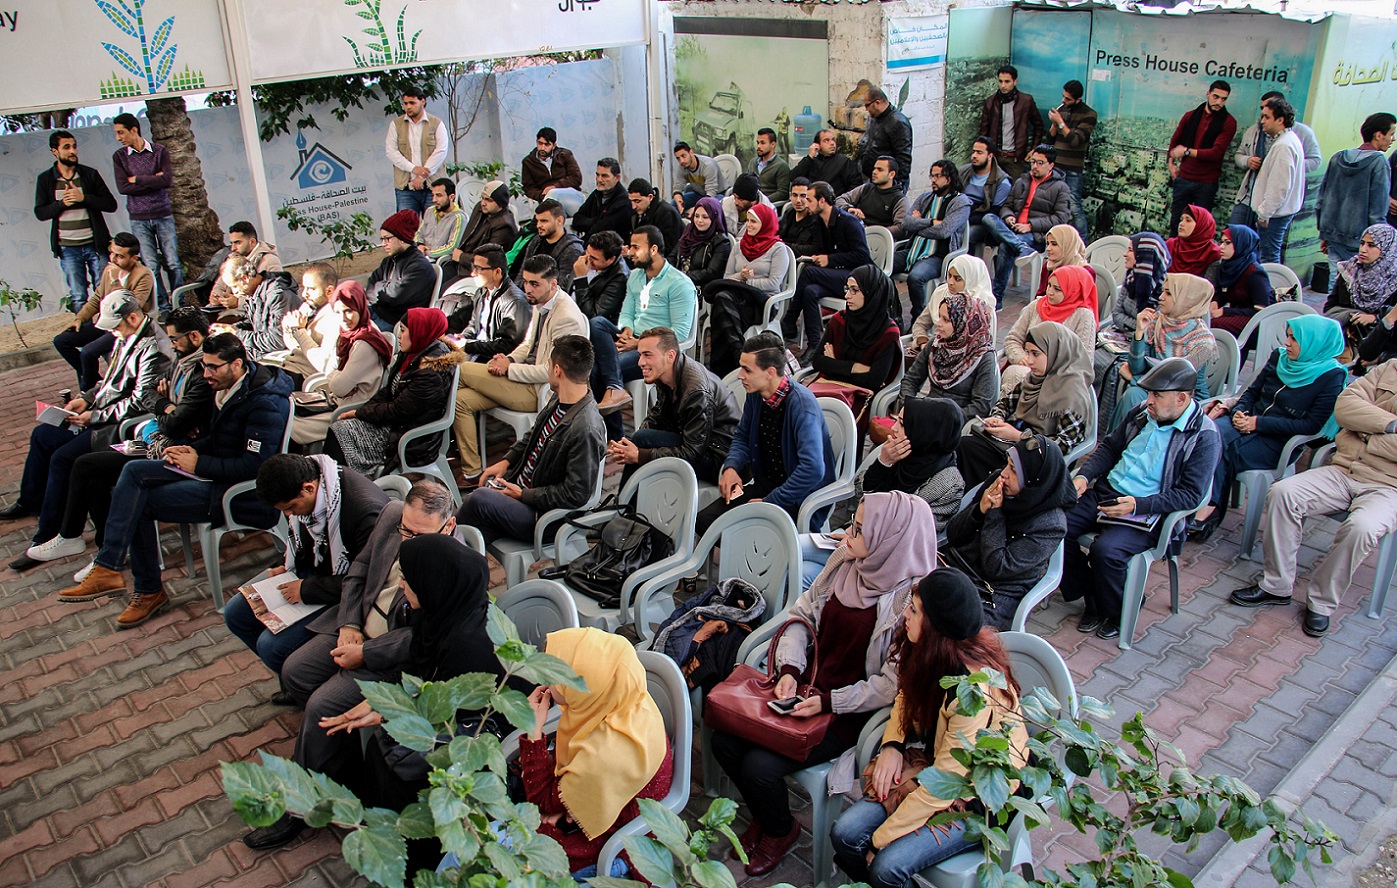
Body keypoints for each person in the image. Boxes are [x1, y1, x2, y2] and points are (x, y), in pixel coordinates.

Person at [716, 491, 936, 877]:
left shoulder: (910, 601)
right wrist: (789, 669)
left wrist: (830, 702)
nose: (847, 535)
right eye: (853, 523)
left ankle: (780, 830)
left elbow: (890, 686)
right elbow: (802, 615)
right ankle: (769, 816)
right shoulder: (845, 561)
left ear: (889, 539)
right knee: (724, 740)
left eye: (860, 530)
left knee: (759, 766)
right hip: (806, 687)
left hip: (848, 712)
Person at [242, 480, 466, 850]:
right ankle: (338, 759)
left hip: (389, 656)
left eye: (419, 535)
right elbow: (359, 571)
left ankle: (300, 805)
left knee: (321, 706)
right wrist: (348, 624)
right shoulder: (392, 514)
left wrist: (367, 653)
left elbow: (424, 637)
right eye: (405, 531)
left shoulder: (454, 564)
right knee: (295, 672)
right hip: (356, 625)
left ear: (449, 525)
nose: (408, 541)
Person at [56, 334, 294, 628]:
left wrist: (199, 463)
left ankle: (144, 589)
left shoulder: (264, 403)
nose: (206, 374)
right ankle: (110, 568)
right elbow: (222, 441)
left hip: (235, 494)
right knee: (133, 472)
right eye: (204, 366)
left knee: (138, 502)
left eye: (213, 367)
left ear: (237, 364)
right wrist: (189, 450)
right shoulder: (232, 387)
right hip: (213, 473)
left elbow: (257, 466)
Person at [311, 533, 506, 872]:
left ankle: (413, 862)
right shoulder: (446, 612)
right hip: (446, 717)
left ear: (433, 585)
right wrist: (385, 706)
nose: (401, 586)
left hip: (473, 738)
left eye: (408, 580)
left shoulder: (468, 644)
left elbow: (455, 714)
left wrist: (389, 714)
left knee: (393, 766)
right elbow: (425, 673)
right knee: (381, 751)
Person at [829, 567, 1029, 888]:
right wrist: (892, 745)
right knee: (844, 834)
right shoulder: (928, 650)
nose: (905, 615)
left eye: (914, 610)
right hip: (939, 767)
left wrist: (879, 841)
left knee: (885, 868)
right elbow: (905, 695)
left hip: (975, 796)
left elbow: (945, 786)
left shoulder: (971, 695)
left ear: (935, 627)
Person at [1229, 356, 1397, 638]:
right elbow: (1345, 407)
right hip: (1344, 469)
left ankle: (1321, 603)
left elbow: (1357, 418)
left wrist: (1366, 432)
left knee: (1362, 528)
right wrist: (1390, 426)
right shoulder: (1390, 368)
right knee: (1283, 492)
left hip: (1388, 487)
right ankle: (1276, 585)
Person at [45, 308, 215, 577]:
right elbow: (149, 396)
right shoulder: (181, 361)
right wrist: (166, 407)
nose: (171, 344)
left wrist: (165, 408)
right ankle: (90, 544)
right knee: (89, 468)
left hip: (177, 450)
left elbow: (175, 423)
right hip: (158, 439)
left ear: (194, 336)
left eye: (175, 339)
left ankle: (104, 556)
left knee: (100, 469)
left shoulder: (201, 372)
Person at [4, 290, 169, 560]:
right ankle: (32, 502)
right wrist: (86, 398)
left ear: (132, 317)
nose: (112, 332)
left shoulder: (153, 348)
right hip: (103, 414)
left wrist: (93, 416)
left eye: (115, 326)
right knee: (43, 434)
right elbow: (111, 381)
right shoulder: (127, 336)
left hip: (117, 426)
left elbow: (140, 402)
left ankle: (53, 534)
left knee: (64, 459)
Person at [1063, 357, 1220, 638]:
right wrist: (1084, 476)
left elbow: (1192, 495)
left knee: (1106, 552)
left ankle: (1116, 612)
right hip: (1108, 492)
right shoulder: (1142, 413)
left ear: (1181, 398)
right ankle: (1094, 595)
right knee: (1055, 527)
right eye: (1149, 393)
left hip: (1149, 509)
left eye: (1157, 395)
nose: (1148, 401)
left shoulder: (1204, 436)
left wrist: (1138, 504)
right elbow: (1110, 448)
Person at [521, 628, 674, 878]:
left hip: (615, 849)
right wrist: (566, 802)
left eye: (554, 674)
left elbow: (540, 801)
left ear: (586, 683)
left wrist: (532, 728)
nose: (545, 679)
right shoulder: (624, 701)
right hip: (608, 818)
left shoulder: (607, 754)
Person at [224, 453, 389, 679]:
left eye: (291, 507)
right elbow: (302, 541)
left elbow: (367, 580)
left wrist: (305, 589)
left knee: (271, 646)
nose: (289, 515)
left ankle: (298, 683)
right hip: (317, 571)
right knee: (235, 613)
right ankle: (291, 679)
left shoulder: (364, 512)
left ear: (308, 489)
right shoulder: (316, 484)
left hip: (347, 592)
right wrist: (283, 565)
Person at [1191, 315, 1346, 541]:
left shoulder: (1331, 376)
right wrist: (1239, 412)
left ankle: (1205, 508)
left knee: (1221, 448)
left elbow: (1311, 425)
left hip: (1279, 440)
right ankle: (1198, 505)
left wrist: (1258, 423)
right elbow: (1252, 392)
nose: (1287, 343)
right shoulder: (1280, 358)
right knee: (1206, 436)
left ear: (1314, 343)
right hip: (1246, 421)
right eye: (1288, 336)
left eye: (1295, 339)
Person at [458, 334, 606, 546]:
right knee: (473, 535)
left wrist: (524, 495)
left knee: (478, 500)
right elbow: (534, 434)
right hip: (523, 494)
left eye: (549, 365)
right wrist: (506, 461)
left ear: (557, 370)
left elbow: (576, 494)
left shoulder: (586, 428)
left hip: (544, 517)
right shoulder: (559, 398)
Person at [451, 256, 589, 480]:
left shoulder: (566, 318)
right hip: (521, 378)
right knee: (461, 400)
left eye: (534, 284)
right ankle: (472, 473)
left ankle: (427, 432)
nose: (528, 289)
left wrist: (508, 369)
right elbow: (527, 344)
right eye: (525, 282)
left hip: (540, 390)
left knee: (460, 370)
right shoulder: (541, 300)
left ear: (553, 284)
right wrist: (508, 360)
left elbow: (551, 372)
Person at [699, 332, 836, 533]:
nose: (740, 375)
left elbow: (813, 469)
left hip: (798, 498)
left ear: (770, 372)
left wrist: (771, 501)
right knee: (705, 521)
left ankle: (743, 551)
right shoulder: (756, 394)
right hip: (766, 487)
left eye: (747, 369)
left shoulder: (801, 406)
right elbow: (743, 435)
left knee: (739, 535)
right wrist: (731, 467)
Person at [950, 432, 1075, 626]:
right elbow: (953, 535)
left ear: (1033, 479)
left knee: (955, 627)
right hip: (961, 568)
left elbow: (997, 567)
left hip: (997, 592)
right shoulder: (998, 482)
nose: (1004, 474)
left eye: (1014, 470)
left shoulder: (1050, 525)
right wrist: (979, 510)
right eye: (1007, 464)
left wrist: (995, 514)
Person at [325, 307, 459, 476]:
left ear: (418, 332)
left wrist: (359, 413)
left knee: (342, 433)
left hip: (411, 438)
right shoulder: (413, 352)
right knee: (340, 429)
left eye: (403, 330)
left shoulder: (431, 373)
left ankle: (338, 482)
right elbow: (388, 391)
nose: (399, 336)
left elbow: (398, 410)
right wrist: (363, 410)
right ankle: (334, 480)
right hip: (396, 424)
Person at [591, 227, 697, 436]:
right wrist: (627, 330)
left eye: (635, 247)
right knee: (597, 323)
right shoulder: (636, 276)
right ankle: (615, 388)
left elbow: (679, 334)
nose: (630, 252)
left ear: (653, 249)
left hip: (657, 349)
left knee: (597, 370)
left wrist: (639, 343)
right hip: (633, 338)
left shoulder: (679, 283)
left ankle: (614, 436)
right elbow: (627, 312)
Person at [962, 322, 1093, 486]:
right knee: (965, 447)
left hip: (1036, 460)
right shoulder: (1034, 379)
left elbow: (1062, 446)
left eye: (1036, 354)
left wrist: (1019, 436)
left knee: (969, 453)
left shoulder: (1072, 395)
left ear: (1055, 352)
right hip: (1014, 446)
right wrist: (998, 418)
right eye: (1028, 353)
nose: (1029, 361)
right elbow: (1006, 402)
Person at [608, 326, 740, 485]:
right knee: (640, 438)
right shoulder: (666, 372)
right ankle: (631, 497)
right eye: (640, 355)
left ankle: (626, 499)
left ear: (670, 355)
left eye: (648, 355)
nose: (640, 362)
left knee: (643, 440)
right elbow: (657, 415)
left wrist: (639, 455)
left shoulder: (696, 391)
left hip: (716, 458)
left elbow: (693, 453)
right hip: (692, 440)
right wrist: (630, 446)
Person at [290, 281, 393, 448]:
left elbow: (338, 386)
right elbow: (332, 369)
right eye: (337, 312)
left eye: (349, 311)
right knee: (287, 411)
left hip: (350, 412)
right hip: (338, 402)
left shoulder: (365, 341)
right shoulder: (349, 334)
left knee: (290, 426)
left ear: (360, 307)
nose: (343, 318)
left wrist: (333, 373)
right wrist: (335, 373)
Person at [1108, 272, 1217, 430]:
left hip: (1183, 397)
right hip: (1154, 388)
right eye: (1163, 291)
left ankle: (1123, 442)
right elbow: (1137, 367)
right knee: (1134, 394)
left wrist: (1135, 379)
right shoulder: (1157, 322)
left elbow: (1176, 380)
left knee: (1135, 394)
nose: (1161, 297)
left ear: (1186, 300)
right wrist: (1139, 332)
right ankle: (1120, 442)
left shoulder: (1203, 342)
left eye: (1169, 293)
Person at [53, 232, 154, 389]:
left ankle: (88, 390)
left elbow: (131, 306)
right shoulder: (110, 270)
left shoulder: (143, 275)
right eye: (112, 253)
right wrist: (80, 318)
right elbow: (97, 299)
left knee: (88, 353)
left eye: (120, 256)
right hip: (106, 324)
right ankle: (96, 383)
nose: (113, 259)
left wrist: (115, 280)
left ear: (133, 258)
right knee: (61, 341)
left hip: (126, 327)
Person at [809, 265, 903, 434]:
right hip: (827, 385)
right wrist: (854, 367)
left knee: (839, 424)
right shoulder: (839, 320)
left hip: (860, 395)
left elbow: (874, 380)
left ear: (872, 293)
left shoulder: (888, 333)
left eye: (854, 290)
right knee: (802, 411)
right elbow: (817, 361)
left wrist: (834, 364)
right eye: (847, 289)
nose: (847, 295)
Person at [783, 182, 872, 357]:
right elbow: (822, 249)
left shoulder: (848, 222)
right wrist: (818, 258)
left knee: (808, 273)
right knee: (809, 291)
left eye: (809, 199)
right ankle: (815, 346)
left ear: (822, 201)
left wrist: (829, 259)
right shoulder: (818, 222)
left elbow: (862, 256)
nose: (806, 203)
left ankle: (789, 320)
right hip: (835, 275)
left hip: (857, 277)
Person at [703, 203, 792, 377]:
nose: (748, 225)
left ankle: (721, 370)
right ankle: (738, 353)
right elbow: (728, 277)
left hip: (762, 302)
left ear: (765, 223)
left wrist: (747, 281)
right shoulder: (739, 246)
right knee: (723, 298)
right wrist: (741, 276)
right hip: (736, 298)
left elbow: (774, 283)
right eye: (748, 221)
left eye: (754, 222)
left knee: (722, 302)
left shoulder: (778, 249)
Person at [35, 129, 118, 315]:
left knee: (105, 291)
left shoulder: (89, 175)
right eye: (66, 147)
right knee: (79, 296)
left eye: (74, 146)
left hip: (95, 245)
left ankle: (108, 331)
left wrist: (84, 198)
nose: (72, 151)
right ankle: (85, 332)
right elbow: (40, 212)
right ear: (54, 151)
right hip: (68, 248)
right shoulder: (46, 179)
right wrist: (61, 204)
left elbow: (110, 204)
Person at [981, 145, 1072, 306]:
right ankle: (1020, 246)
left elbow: (1060, 218)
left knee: (1005, 246)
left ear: (1051, 165)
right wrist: (1008, 216)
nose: (1035, 166)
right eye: (1033, 162)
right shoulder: (1022, 181)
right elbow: (1007, 205)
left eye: (1040, 163)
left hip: (1036, 233)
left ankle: (996, 298)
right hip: (1013, 228)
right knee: (988, 218)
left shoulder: (1060, 188)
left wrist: (1030, 226)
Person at [111, 113, 181, 315]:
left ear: (134, 130)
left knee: (172, 262)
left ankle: (179, 304)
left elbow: (167, 180)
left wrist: (137, 179)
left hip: (162, 214)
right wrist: (152, 179)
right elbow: (123, 187)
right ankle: (164, 307)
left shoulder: (159, 151)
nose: (118, 137)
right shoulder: (120, 157)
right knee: (151, 265)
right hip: (138, 218)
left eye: (121, 132)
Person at [857, 397, 965, 528]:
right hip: (862, 528)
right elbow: (860, 496)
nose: (894, 428)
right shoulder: (896, 452)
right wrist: (882, 463)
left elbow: (918, 532)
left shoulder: (949, 485)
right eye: (896, 420)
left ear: (926, 431)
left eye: (902, 424)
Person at [1318, 113, 1396, 288]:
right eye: (1391, 134)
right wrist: (1378, 245)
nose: (1393, 139)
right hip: (1361, 241)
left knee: (1335, 286)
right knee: (1356, 290)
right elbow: (1378, 210)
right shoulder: (1379, 162)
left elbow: (1322, 199)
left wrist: (1326, 233)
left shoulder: (1338, 157)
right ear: (1378, 135)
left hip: (1333, 236)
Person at [894, 160, 973, 328]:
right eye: (932, 176)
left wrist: (918, 224)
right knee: (880, 269)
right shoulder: (925, 197)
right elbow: (906, 223)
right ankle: (893, 313)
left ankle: (918, 320)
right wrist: (930, 221)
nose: (933, 180)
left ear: (949, 178)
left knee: (916, 277)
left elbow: (944, 231)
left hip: (938, 255)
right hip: (913, 249)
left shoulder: (961, 202)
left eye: (937, 176)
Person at [1231, 90, 1324, 230]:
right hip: (1249, 196)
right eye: (1262, 108)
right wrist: (1247, 161)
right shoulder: (1254, 131)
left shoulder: (1293, 138)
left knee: (1266, 242)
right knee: (1234, 234)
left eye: (1268, 111)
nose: (1263, 116)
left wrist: (1290, 166)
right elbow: (1239, 155)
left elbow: (1315, 161)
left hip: (1274, 207)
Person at [1000, 264, 1099, 395]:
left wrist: (1046, 369)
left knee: (1019, 376)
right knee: (1015, 374)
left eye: (1057, 289)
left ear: (1072, 291)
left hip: (1059, 379)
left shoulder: (1084, 316)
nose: (1050, 292)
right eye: (1049, 285)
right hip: (1027, 366)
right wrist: (1021, 357)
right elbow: (1013, 339)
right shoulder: (1036, 306)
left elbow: (1083, 363)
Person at [902, 293, 998, 420]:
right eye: (939, 317)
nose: (938, 323)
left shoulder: (983, 357)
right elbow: (911, 379)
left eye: (946, 320)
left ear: (964, 324)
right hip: (926, 412)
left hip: (955, 421)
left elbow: (981, 406)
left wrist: (946, 420)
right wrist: (907, 405)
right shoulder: (937, 344)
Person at [1167, 81, 1237, 236]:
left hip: (1206, 182)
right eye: (1215, 97)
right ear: (1208, 94)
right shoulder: (1191, 116)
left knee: (1200, 227)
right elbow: (1175, 141)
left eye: (1223, 99)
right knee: (1176, 223)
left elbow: (1215, 153)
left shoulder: (1228, 122)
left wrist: (1187, 152)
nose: (1219, 102)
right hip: (1184, 178)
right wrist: (1171, 164)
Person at [1242, 97, 1305, 264]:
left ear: (1280, 120)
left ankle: (1270, 282)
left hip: (1274, 215)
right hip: (1276, 213)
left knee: (1269, 258)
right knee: (1268, 255)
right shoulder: (1287, 141)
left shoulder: (1284, 146)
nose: (1262, 121)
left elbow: (1279, 186)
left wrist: (1264, 213)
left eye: (1266, 117)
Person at [1325, 224, 1397, 358]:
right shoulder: (1350, 271)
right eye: (1362, 243)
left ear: (1387, 249)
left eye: (1371, 245)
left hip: (1379, 351)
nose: (1363, 249)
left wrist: (1374, 318)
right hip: (1343, 341)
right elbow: (1330, 308)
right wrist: (1351, 320)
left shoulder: (1393, 281)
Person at [448, 246, 530, 360]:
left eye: (479, 269)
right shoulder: (481, 291)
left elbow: (507, 346)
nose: (473, 273)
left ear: (497, 272)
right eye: (473, 267)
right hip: (475, 352)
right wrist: (463, 337)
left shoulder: (515, 302)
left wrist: (468, 346)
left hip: (492, 360)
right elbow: (474, 325)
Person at [908, 254, 997, 351]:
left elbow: (983, 346)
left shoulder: (981, 307)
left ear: (970, 280)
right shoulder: (941, 293)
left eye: (957, 279)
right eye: (949, 276)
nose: (950, 282)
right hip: (934, 350)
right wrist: (923, 342)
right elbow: (920, 324)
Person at [366, 210, 437, 330]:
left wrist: (379, 286)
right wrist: (385, 287)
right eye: (382, 239)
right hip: (377, 313)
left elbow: (394, 296)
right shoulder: (388, 261)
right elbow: (369, 288)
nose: (383, 244)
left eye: (387, 239)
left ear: (402, 238)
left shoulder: (419, 266)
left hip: (396, 323)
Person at [444, 179, 519, 290]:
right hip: (460, 263)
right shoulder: (480, 209)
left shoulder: (504, 226)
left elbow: (489, 260)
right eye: (482, 198)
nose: (483, 203)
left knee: (444, 291)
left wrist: (461, 257)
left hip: (476, 271)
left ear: (500, 204)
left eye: (489, 200)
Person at [385, 85, 448, 215]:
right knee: (406, 225)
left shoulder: (436, 123)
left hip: (433, 187)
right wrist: (413, 169)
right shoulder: (396, 124)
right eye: (405, 103)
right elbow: (391, 151)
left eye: (412, 103)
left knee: (435, 224)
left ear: (422, 101)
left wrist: (422, 176)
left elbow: (441, 151)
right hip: (405, 188)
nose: (408, 107)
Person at [1205, 224, 1274, 338]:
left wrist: (1225, 312)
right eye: (1221, 242)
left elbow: (1261, 309)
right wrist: (1216, 302)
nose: (1221, 247)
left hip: (1256, 320)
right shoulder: (1228, 266)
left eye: (1227, 243)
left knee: (1214, 325)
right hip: (1236, 313)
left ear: (1241, 244)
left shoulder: (1254, 273)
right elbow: (1225, 292)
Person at [1048, 80, 1097, 237]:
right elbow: (1050, 140)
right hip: (1056, 166)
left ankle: (1083, 242)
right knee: (1054, 204)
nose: (1064, 101)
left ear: (1078, 99)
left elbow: (1075, 141)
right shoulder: (1061, 110)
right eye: (1063, 96)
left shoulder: (1089, 115)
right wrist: (1054, 126)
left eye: (1068, 99)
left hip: (1072, 169)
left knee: (1074, 207)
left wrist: (1060, 123)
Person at [275, 263, 341, 380]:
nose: (304, 294)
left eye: (311, 289)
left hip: (307, 376)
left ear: (329, 291)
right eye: (304, 287)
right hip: (290, 365)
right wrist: (288, 331)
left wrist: (299, 331)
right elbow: (294, 346)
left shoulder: (336, 318)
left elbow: (323, 363)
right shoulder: (307, 306)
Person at [228, 257, 298, 363]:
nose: (234, 292)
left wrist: (236, 333)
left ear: (245, 278)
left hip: (284, 358)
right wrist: (231, 329)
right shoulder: (255, 292)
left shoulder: (277, 295)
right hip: (265, 351)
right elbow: (256, 323)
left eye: (234, 286)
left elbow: (276, 342)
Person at [978, 66, 1043, 180]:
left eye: (1007, 81)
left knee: (1016, 187)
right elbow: (984, 132)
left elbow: (1039, 125)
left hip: (1015, 158)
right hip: (995, 157)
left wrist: (1034, 149)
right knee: (992, 187)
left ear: (1015, 81)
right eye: (1000, 81)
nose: (1003, 85)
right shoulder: (990, 102)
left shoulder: (1026, 101)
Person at [515, 199, 584, 293]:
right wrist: (516, 296)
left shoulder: (572, 250)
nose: (538, 225)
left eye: (544, 221)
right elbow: (522, 273)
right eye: (537, 221)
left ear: (559, 221)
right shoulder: (537, 240)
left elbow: (563, 290)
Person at [208, 221, 282, 309]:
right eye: (232, 243)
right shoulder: (232, 258)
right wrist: (216, 296)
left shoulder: (270, 261)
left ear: (252, 242)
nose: (233, 248)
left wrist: (238, 302)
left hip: (254, 312)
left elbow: (276, 295)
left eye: (237, 243)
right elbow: (220, 284)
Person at [836, 157, 909, 237]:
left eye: (880, 170)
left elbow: (901, 228)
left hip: (880, 240)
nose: (874, 172)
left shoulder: (900, 199)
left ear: (891, 174)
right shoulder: (865, 188)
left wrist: (873, 233)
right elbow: (839, 200)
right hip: (856, 234)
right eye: (874, 169)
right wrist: (848, 208)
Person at [959, 137, 1012, 248]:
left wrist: (965, 220)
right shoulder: (963, 172)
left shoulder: (1002, 181)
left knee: (967, 236)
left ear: (990, 156)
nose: (974, 156)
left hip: (980, 221)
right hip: (960, 213)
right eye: (973, 152)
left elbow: (994, 213)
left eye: (979, 153)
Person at [858, 88, 913, 191]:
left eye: (867, 105)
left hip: (890, 182)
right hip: (875, 178)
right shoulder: (876, 118)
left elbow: (903, 157)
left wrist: (898, 185)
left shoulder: (898, 122)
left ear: (877, 103)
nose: (866, 109)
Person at [570, 230, 629, 324]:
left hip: (583, 322)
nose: (588, 259)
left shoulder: (620, 278)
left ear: (611, 259)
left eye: (594, 258)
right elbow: (565, 285)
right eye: (587, 252)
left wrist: (581, 280)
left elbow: (593, 316)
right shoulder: (588, 256)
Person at [672, 197, 731, 290]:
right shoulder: (689, 231)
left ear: (714, 218)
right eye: (696, 216)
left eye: (705, 217)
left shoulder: (721, 242)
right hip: (679, 282)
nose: (699, 220)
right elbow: (673, 256)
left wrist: (682, 276)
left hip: (702, 287)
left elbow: (711, 273)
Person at [572, 158, 633, 239]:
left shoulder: (623, 202)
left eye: (604, 176)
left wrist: (590, 223)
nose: (599, 180)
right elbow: (576, 221)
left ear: (617, 178)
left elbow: (601, 230)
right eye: (597, 175)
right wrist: (596, 220)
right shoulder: (596, 194)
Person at [521, 126, 583, 206]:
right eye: (540, 143)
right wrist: (542, 195)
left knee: (553, 194)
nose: (542, 148)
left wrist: (555, 187)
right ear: (536, 142)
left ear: (554, 145)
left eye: (547, 145)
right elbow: (528, 188)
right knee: (551, 198)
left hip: (569, 194)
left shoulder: (564, 155)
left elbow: (576, 178)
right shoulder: (528, 162)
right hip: (547, 198)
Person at [792, 129, 865, 197]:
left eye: (833, 140)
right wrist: (810, 157)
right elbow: (793, 178)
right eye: (826, 140)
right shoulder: (811, 162)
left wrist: (842, 201)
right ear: (817, 145)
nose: (832, 143)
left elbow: (856, 185)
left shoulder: (843, 162)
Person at [1029, 222, 1088, 301]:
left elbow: (1084, 302)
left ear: (1067, 245)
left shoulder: (1085, 271)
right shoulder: (1048, 266)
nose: (1048, 248)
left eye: (1054, 244)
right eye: (1048, 244)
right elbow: (1041, 294)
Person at [628, 178, 683, 258]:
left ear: (650, 197)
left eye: (637, 201)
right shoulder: (638, 212)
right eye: (631, 201)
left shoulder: (666, 214)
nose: (633, 206)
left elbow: (668, 250)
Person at [416, 177, 465, 265]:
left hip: (442, 262)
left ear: (451, 197)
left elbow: (452, 248)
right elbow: (420, 233)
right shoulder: (430, 211)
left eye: (439, 195)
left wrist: (428, 253)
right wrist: (419, 245)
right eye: (433, 195)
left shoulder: (459, 218)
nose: (434, 200)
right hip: (423, 257)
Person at [1166, 204, 1223, 276]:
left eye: (1188, 220)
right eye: (1181, 220)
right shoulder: (1170, 245)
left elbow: (1209, 282)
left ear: (1201, 225)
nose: (1181, 224)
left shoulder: (1212, 253)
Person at [673, 141, 727, 213]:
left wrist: (697, 208)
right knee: (673, 204)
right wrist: (678, 199)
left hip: (717, 194)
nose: (681, 161)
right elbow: (677, 187)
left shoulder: (708, 165)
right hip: (699, 194)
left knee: (709, 209)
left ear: (691, 152)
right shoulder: (682, 167)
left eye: (683, 156)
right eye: (678, 158)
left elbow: (711, 193)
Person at [779, 177, 823, 258]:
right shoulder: (789, 213)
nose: (798, 200)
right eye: (795, 195)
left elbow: (813, 249)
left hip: (798, 260)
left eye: (803, 196)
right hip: (781, 255)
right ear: (790, 196)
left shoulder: (816, 220)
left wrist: (784, 246)